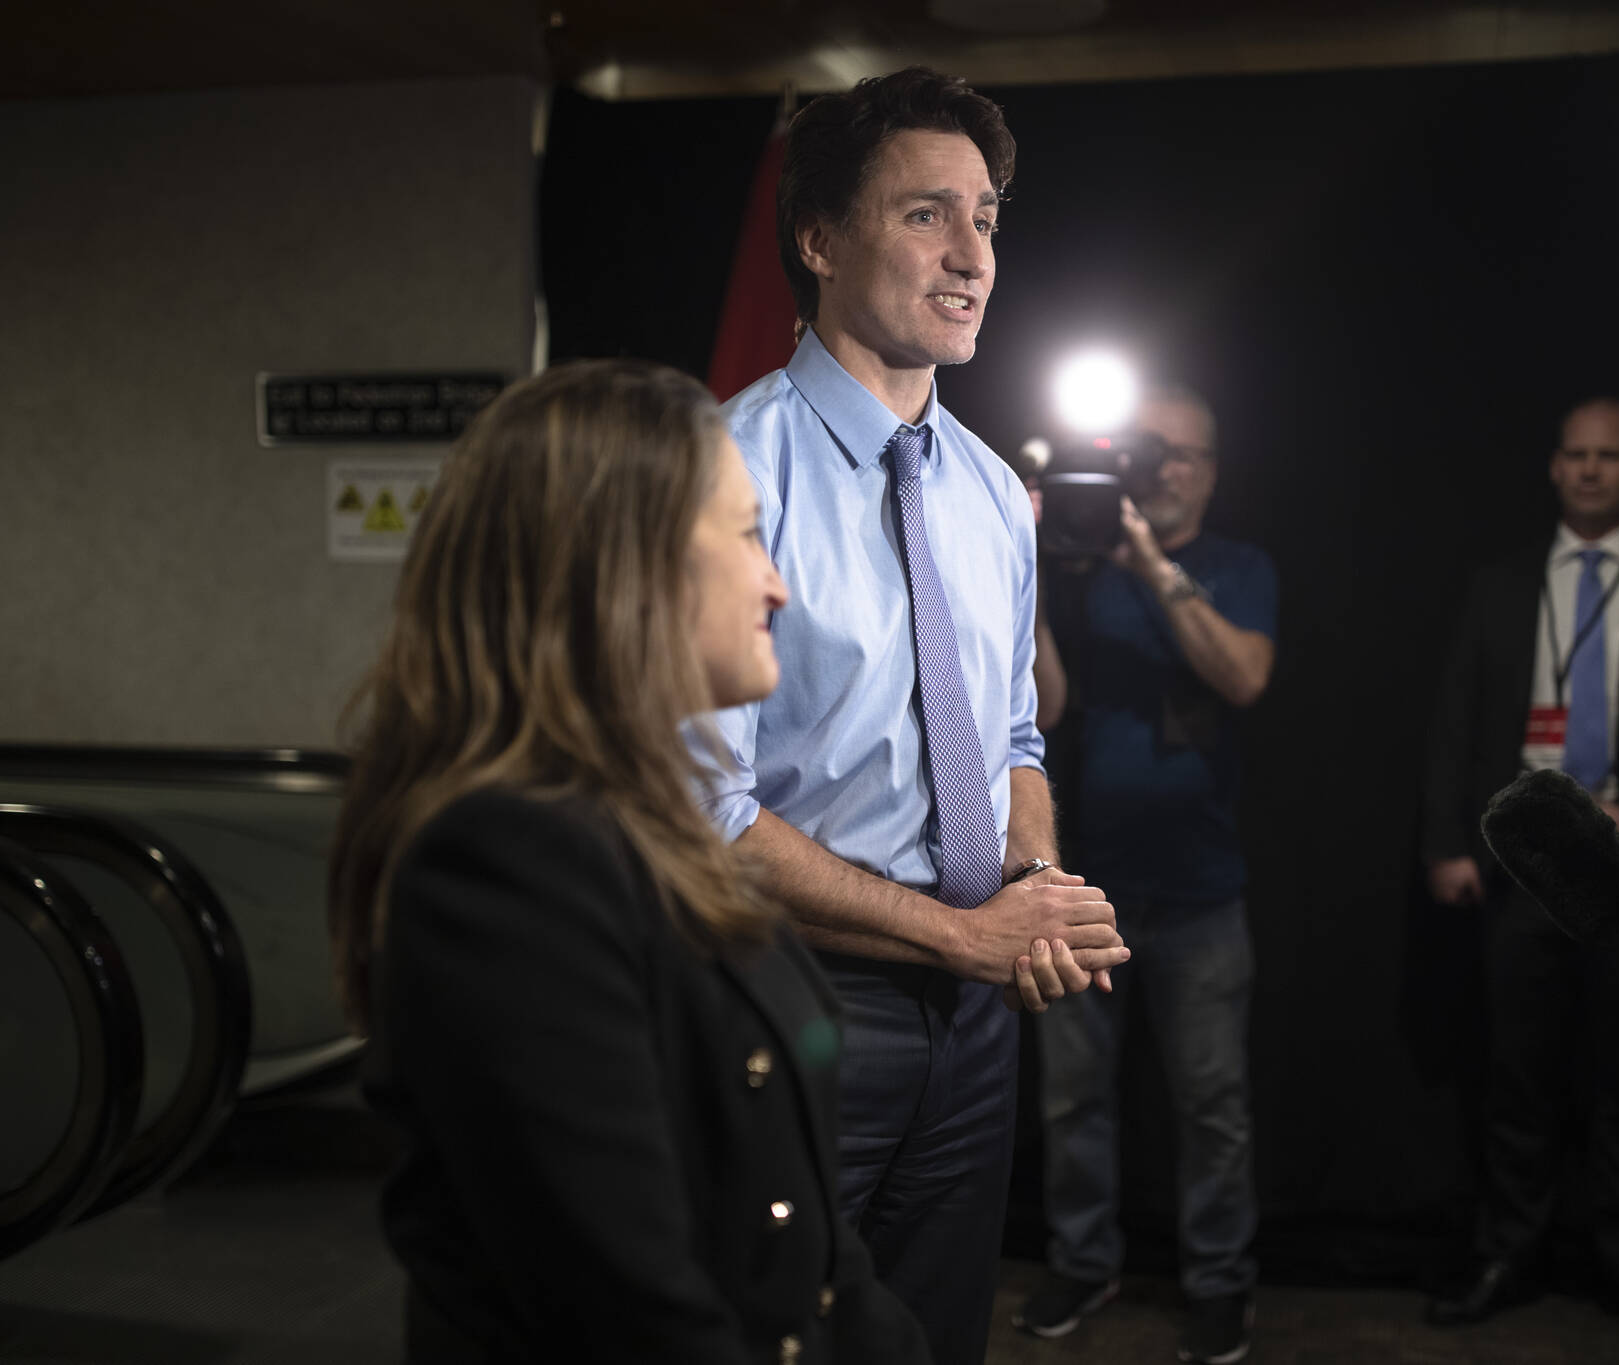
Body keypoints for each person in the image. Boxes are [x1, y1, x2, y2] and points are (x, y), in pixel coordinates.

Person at [327, 360, 932, 1363]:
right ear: (625, 563)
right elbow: (631, 1310)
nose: (776, 579)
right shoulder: (503, 865)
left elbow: (809, 1248)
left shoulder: (651, 820)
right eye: (745, 534)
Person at [699, 67, 1128, 1365]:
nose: (971, 257)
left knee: (934, 1343)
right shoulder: (720, 472)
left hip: (975, 1018)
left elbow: (1009, 741)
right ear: (821, 239)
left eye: (987, 219)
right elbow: (704, 814)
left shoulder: (996, 494)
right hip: (796, 1001)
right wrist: (961, 933)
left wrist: (1037, 885)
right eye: (927, 215)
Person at [1420, 396, 1619, 1345]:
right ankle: (1509, 1251)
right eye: (1574, 455)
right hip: (1521, 864)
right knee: (1516, 1076)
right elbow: (1456, 717)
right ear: (1553, 467)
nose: (1589, 471)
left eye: (1609, 456)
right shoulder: (1505, 581)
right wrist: (1447, 843)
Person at [1014, 385, 1276, 1365]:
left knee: (1210, 1104)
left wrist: (1147, 562)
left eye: (1181, 454)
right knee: (1071, 1099)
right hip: (1083, 883)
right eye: (1146, 448)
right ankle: (1082, 1264)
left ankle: (1219, 1284)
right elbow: (1039, 704)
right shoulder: (1077, 571)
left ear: (1208, 470)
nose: (1161, 467)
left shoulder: (1233, 566)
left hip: (1201, 892)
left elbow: (1242, 675)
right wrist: (1027, 567)